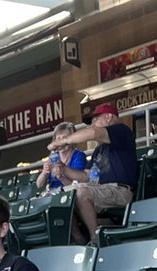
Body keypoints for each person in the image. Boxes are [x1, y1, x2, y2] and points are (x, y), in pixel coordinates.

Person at [49, 102, 138, 244]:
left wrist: (63, 141)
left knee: (81, 193)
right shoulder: (99, 150)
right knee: (61, 195)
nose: (93, 123)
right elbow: (85, 176)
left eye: (96, 118)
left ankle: (96, 240)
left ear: (109, 117)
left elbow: (93, 133)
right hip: (100, 190)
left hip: (120, 190)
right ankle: (77, 239)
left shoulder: (121, 130)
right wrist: (62, 168)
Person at [36, 121, 88, 192]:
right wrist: (44, 172)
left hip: (69, 195)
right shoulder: (53, 157)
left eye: (64, 138)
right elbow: (39, 185)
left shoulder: (78, 156)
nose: (60, 143)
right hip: (52, 194)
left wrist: (61, 177)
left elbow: (77, 187)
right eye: (58, 138)